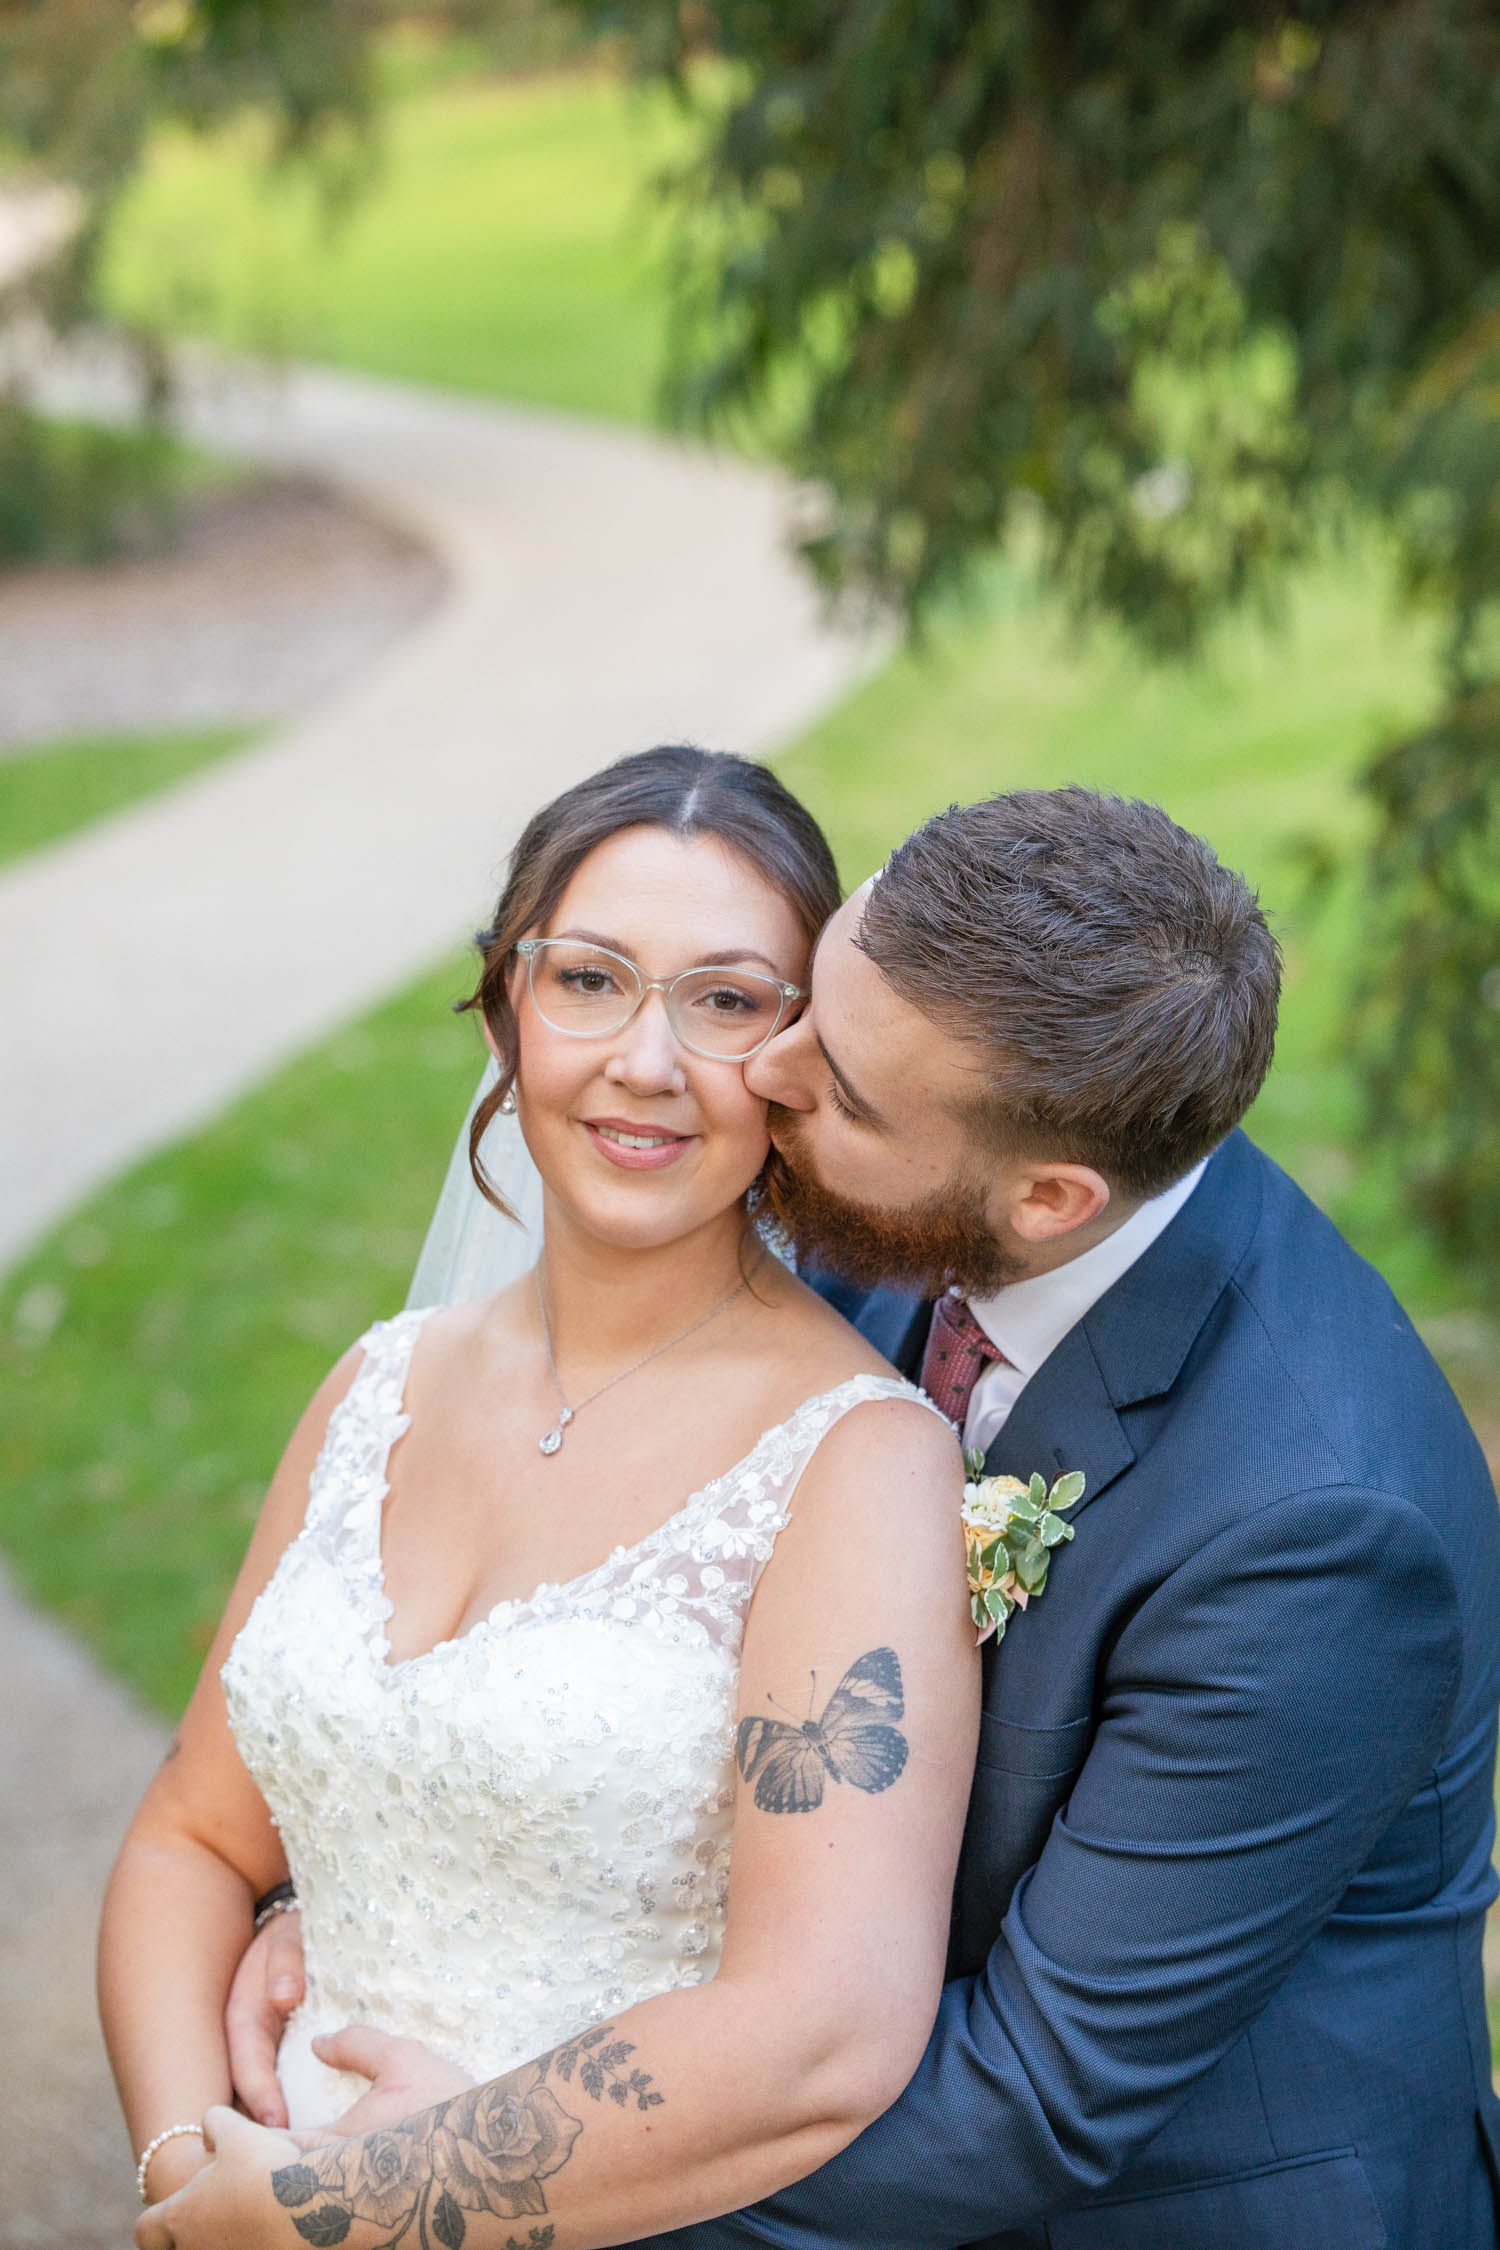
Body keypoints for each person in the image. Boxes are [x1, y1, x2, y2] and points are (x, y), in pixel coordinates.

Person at [220, 785, 1500, 2250]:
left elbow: (1030, 2091)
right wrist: (398, 1895)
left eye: (838, 1082)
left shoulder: (1318, 1531)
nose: (764, 1070)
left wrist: (456, 2179)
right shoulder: (922, 1166)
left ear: (1048, 1198)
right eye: (813, 1006)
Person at [103, 746, 978, 2248]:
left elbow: (820, 2029)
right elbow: (191, 1837)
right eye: (589, 979)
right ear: (510, 1002)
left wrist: (346, 2208)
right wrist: (194, 2173)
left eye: (723, 999)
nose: (646, 1060)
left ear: (798, 1054)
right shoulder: (376, 1387)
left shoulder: (856, 1460)